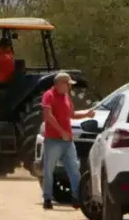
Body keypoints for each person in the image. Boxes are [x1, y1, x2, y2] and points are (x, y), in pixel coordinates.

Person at [41, 72, 95, 210]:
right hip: (53, 140)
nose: (69, 88)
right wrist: (61, 131)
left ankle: (77, 198)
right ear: (59, 84)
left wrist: (86, 114)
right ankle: (47, 198)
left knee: (74, 170)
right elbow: (48, 116)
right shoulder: (49, 95)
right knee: (49, 170)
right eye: (68, 84)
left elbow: (71, 115)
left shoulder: (66, 97)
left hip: (68, 141)